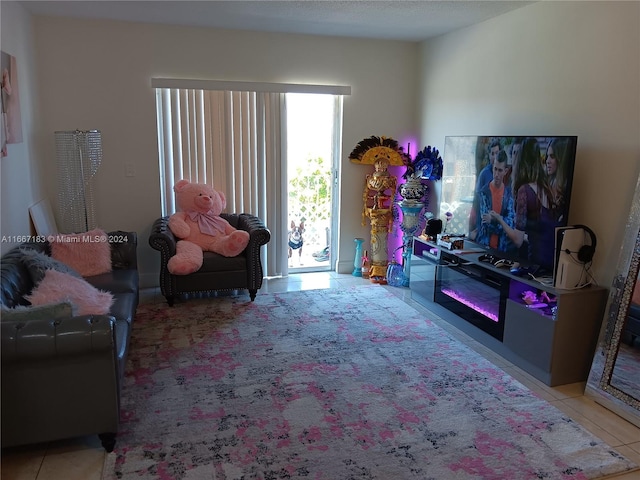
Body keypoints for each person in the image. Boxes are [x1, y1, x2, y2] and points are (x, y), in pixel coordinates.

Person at [472, 150, 515, 252]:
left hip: (502, 250)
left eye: (500, 170)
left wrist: (494, 219)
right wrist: (501, 221)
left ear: (505, 171)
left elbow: (510, 224)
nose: (496, 174)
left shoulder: (509, 195)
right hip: (483, 248)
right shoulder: (484, 192)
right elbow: (486, 224)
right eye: (495, 169)